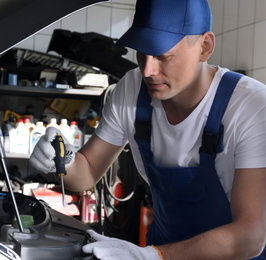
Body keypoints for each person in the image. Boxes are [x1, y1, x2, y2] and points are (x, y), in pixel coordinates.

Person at [30, 0, 266, 259]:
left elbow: (250, 235)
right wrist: (62, 161)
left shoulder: (250, 106)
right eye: (142, 53)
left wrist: (152, 256)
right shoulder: (131, 90)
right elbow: (86, 173)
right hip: (162, 250)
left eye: (163, 56)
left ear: (204, 46)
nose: (148, 70)